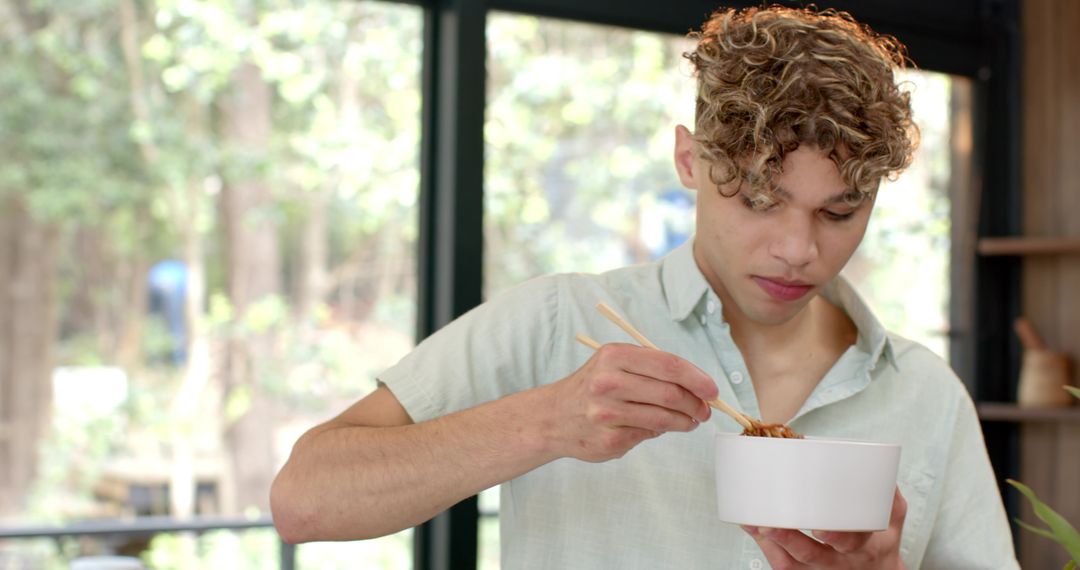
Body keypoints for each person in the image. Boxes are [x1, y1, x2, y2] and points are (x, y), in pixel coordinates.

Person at [270, 5, 1019, 569]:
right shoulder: (562, 321)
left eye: (839, 212)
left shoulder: (925, 394)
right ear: (689, 162)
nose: (798, 250)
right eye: (759, 199)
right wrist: (547, 422)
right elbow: (303, 499)